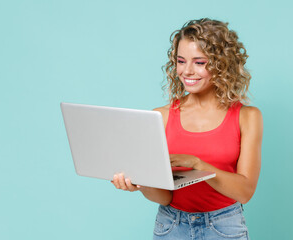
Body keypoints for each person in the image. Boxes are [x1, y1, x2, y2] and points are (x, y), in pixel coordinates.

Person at [111, 18, 263, 240]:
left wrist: (197, 165)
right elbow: (164, 197)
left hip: (224, 227)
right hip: (171, 226)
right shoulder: (160, 117)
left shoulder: (247, 117)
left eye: (200, 62)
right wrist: (140, 183)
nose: (187, 71)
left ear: (222, 64)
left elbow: (245, 191)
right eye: (181, 61)